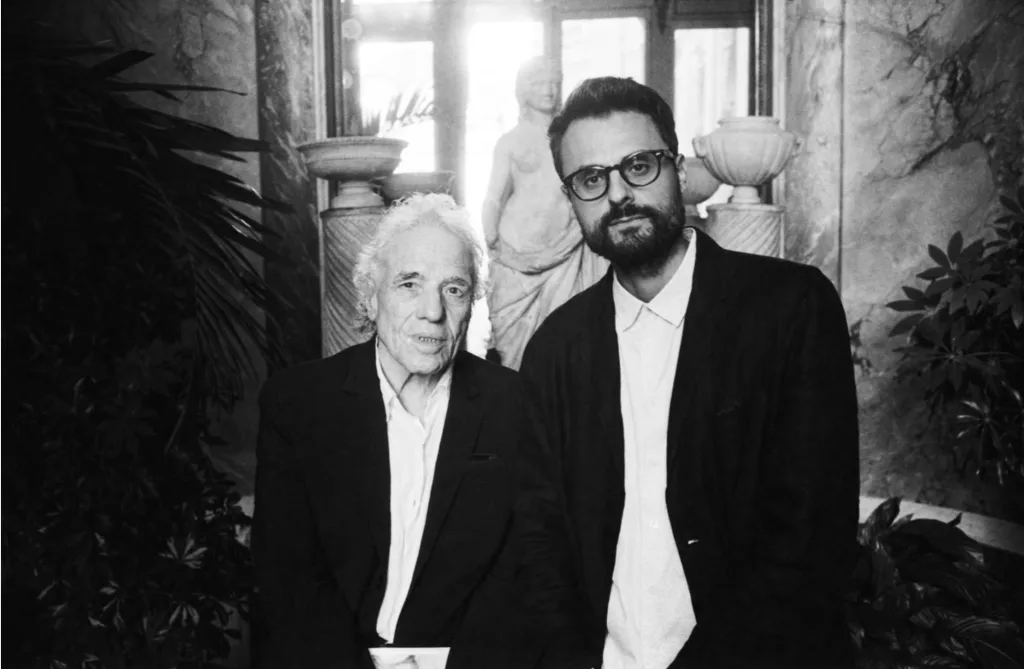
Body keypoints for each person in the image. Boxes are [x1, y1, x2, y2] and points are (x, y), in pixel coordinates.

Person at [517, 77, 860, 669]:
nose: (618, 194)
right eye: (591, 179)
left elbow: (808, 539)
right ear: (572, 198)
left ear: (676, 169)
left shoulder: (791, 308)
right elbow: (540, 545)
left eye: (639, 166)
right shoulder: (555, 348)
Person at [251, 194, 524, 669]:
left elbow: (524, 575)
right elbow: (287, 578)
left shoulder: (516, 406)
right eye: (409, 284)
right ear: (371, 297)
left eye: (454, 289)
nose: (432, 311)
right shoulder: (299, 404)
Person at [482, 57, 607, 370]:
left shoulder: (574, 139)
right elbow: (494, 196)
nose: (549, 90)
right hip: (517, 252)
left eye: (554, 83)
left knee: (564, 339)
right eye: (540, 83)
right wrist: (491, 234)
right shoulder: (510, 142)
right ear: (524, 91)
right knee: (513, 351)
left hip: (567, 249)